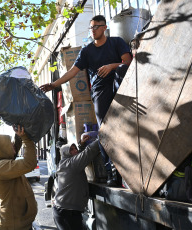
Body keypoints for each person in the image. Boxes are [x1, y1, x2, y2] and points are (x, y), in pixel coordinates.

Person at [40, 15, 132, 186]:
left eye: (96, 26)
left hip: (119, 86)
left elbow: (127, 62)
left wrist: (111, 66)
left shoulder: (117, 42)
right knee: (105, 131)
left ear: (104, 27)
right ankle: (111, 170)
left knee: (120, 70)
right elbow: (72, 72)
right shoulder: (87, 51)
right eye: (91, 27)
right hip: (99, 91)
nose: (93, 30)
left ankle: (124, 104)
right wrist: (54, 84)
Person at [0, 125, 37, 230]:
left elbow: (14, 147)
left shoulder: (2, 162)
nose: (12, 145)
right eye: (9, 144)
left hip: (18, 224)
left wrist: (18, 132)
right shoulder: (0, 168)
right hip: (14, 227)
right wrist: (26, 139)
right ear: (3, 149)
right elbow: (30, 163)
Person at [53, 136, 100, 230]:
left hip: (63, 211)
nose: (75, 151)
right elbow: (88, 153)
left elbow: (80, 156)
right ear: (66, 153)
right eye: (71, 150)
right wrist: (102, 137)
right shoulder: (71, 164)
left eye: (75, 148)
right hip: (67, 214)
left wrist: (81, 144)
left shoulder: (64, 163)